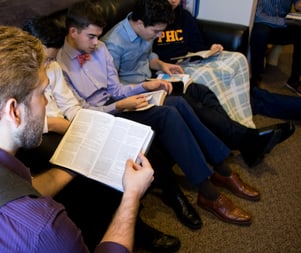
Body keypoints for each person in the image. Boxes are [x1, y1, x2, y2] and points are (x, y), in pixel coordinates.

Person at [0, 23, 155, 253]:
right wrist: (131, 195)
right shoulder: (40, 231)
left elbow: (17, 188)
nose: (45, 102)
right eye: (42, 93)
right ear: (13, 111)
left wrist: (75, 165)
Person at [57, 0, 261, 227]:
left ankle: (222, 170)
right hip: (104, 117)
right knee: (168, 114)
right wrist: (120, 106)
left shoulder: (100, 49)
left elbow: (116, 89)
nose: (98, 43)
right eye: (92, 37)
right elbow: (83, 112)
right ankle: (210, 193)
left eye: (98, 36)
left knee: (179, 105)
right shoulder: (60, 68)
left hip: (120, 103)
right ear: (73, 32)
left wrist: (146, 87)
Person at [19, 14, 182, 252]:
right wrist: (54, 124)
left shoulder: (52, 67)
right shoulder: (16, 75)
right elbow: (22, 122)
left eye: (50, 60)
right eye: (42, 59)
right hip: (40, 137)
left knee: (127, 150)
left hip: (67, 126)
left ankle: (136, 220)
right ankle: (122, 231)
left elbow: (71, 106)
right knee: (92, 176)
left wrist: (93, 124)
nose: (46, 66)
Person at [101, 0, 295, 167]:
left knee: (202, 91)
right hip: (138, 91)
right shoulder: (113, 44)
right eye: (156, 32)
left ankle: (242, 140)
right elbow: (114, 90)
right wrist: (147, 86)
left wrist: (161, 64)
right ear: (141, 23)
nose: (159, 36)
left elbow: (148, 55)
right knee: (191, 103)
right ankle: (248, 140)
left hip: (153, 79)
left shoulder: (144, 25)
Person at [153, 0, 253, 127]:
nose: (173, 0)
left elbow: (197, 45)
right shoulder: (151, 19)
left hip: (188, 58)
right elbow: (148, 56)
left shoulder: (185, 16)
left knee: (238, 58)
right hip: (168, 68)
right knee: (209, 75)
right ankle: (234, 125)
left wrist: (211, 49)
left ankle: (242, 118)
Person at [250, 0, 301, 95]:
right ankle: (255, 76)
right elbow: (258, 16)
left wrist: (298, 5)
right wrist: (284, 22)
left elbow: (297, 4)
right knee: (260, 34)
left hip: (283, 24)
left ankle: (294, 80)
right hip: (264, 23)